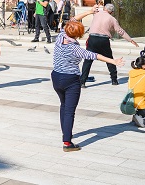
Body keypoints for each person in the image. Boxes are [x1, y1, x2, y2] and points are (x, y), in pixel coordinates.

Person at [51, 20, 124, 151]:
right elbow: (95, 55)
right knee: (69, 111)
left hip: (56, 77)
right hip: (70, 80)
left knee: (64, 105)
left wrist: (89, 11)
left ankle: (66, 133)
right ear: (77, 35)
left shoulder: (60, 36)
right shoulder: (76, 49)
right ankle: (67, 142)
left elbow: (73, 19)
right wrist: (113, 61)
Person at [79, 4, 138, 87]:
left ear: (104, 8)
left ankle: (82, 82)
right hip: (103, 40)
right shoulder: (112, 19)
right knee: (109, 60)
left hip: (92, 39)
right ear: (112, 12)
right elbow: (120, 31)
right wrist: (130, 40)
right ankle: (114, 80)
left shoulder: (96, 14)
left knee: (88, 61)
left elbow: (93, 10)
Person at [129, 51, 145, 128]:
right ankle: (139, 117)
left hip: (132, 102)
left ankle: (138, 114)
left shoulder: (132, 73)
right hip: (142, 104)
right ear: (143, 66)